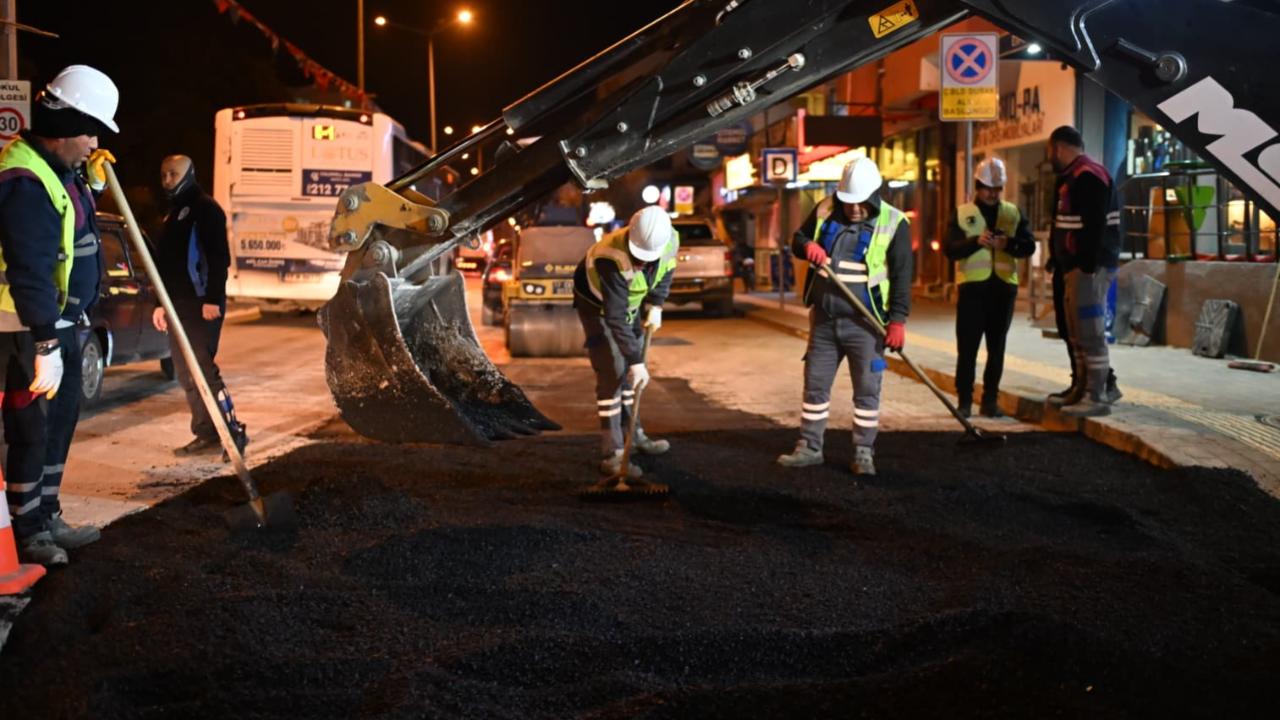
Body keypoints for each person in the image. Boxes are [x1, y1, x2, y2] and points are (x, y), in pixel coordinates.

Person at [0, 65, 119, 565]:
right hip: (28, 330)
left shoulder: (58, 170)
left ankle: (49, 513)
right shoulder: (25, 179)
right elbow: (29, 270)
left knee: (59, 424)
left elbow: (74, 239)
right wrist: (46, 343)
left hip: (63, 324)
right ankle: (29, 531)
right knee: (30, 430)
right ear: (68, 126)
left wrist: (88, 184)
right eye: (91, 131)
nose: (94, 141)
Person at [776, 157, 912, 476]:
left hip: (866, 324)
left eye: (859, 203)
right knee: (815, 386)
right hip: (824, 320)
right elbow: (797, 238)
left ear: (873, 195)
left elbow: (903, 275)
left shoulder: (894, 222)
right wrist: (807, 245)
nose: (852, 209)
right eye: (848, 202)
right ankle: (810, 446)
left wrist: (898, 321)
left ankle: (864, 451)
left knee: (867, 388)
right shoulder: (825, 209)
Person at [152, 155, 248, 457]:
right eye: (164, 174)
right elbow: (164, 265)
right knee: (185, 373)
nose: (168, 180)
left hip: (200, 303)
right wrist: (160, 304)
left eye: (174, 174)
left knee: (204, 371)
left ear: (189, 174)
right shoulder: (172, 214)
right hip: (176, 303)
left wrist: (212, 299)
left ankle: (232, 431)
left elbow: (219, 258)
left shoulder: (206, 209)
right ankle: (206, 433)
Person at [573, 206, 677, 478]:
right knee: (613, 374)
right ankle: (613, 452)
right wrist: (636, 360)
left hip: (630, 305)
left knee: (630, 376)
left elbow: (666, 271)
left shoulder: (670, 239)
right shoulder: (612, 257)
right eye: (638, 257)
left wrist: (657, 304)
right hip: (598, 308)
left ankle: (634, 434)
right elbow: (615, 317)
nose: (642, 263)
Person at [945, 157, 1035, 418]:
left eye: (997, 188)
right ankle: (964, 401)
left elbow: (1028, 246)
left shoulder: (1012, 213)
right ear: (978, 185)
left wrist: (1007, 244)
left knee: (997, 348)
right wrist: (976, 241)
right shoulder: (962, 213)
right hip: (973, 291)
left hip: (1003, 290)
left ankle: (990, 401)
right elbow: (950, 249)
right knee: (968, 348)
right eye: (987, 188)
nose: (993, 193)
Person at [1046, 126, 1122, 417]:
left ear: (1060, 148)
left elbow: (1094, 227)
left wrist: (1086, 265)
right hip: (1075, 267)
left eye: (1050, 151)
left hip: (1088, 269)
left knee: (1089, 333)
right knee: (1077, 333)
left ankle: (1096, 395)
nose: (1050, 157)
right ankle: (1081, 389)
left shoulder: (1088, 176)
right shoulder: (1073, 176)